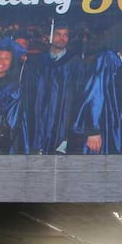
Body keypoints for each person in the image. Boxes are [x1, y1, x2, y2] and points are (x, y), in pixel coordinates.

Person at [74, 24, 122, 154]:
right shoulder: (107, 59)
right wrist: (93, 130)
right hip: (105, 127)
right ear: (121, 40)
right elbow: (94, 93)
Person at [31, 21, 86, 154]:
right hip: (40, 117)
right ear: (50, 36)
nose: (62, 38)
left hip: (64, 118)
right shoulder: (38, 61)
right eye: (58, 34)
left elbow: (80, 95)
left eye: (65, 35)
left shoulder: (75, 62)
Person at [0, 37, 30, 154]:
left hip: (2, 143)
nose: (0, 62)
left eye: (6, 59)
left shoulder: (14, 89)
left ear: (12, 63)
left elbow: (11, 124)